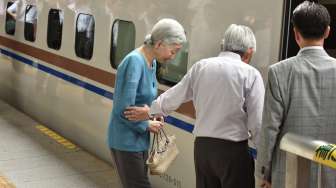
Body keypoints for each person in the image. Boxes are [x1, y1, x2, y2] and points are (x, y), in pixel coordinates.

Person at [126, 24, 264, 188]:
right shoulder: (251, 74)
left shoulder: (201, 67)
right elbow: (257, 124)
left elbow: (173, 97)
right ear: (248, 52)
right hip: (233, 152)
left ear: (223, 45)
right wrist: (264, 162)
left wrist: (151, 110)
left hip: (203, 150)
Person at [256, 1, 336, 188]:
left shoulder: (279, 72)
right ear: (327, 32)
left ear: (295, 33)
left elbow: (269, 129)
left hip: (289, 175)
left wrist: (263, 173)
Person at [108, 18, 186, 188]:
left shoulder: (152, 62)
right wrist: (146, 124)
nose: (173, 57)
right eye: (173, 52)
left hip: (138, 141)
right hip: (125, 141)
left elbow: (143, 102)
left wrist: (153, 115)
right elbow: (123, 109)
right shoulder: (134, 62)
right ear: (158, 44)